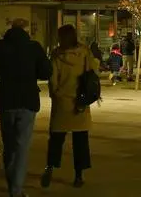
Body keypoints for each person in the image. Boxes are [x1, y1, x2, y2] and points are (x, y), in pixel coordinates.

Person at [0, 19, 52, 197]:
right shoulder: (33, 47)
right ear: (26, 30)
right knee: (22, 146)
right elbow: (45, 71)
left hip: (6, 99)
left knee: (9, 144)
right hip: (27, 99)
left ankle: (12, 182)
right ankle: (16, 189)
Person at [41, 24, 99, 189]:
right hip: (80, 102)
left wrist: (56, 94)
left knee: (56, 139)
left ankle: (50, 166)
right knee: (80, 140)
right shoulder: (84, 52)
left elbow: (53, 79)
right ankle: (79, 175)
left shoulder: (57, 55)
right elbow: (91, 72)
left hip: (62, 101)